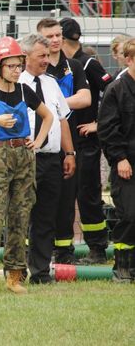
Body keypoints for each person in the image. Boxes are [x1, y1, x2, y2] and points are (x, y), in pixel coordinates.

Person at [0, 37, 53, 295]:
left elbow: (47, 116)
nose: (17, 70)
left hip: (23, 158)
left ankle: (14, 276)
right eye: (12, 65)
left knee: (20, 217)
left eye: (19, 65)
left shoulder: (25, 90)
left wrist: (36, 142)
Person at [18, 34, 76, 284]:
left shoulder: (51, 83)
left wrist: (70, 153)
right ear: (26, 57)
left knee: (45, 217)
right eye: (41, 56)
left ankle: (40, 273)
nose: (46, 60)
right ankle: (16, 269)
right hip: (23, 159)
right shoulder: (15, 83)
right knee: (19, 215)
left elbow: (62, 120)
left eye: (48, 56)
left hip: (51, 159)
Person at [36, 18, 91, 264]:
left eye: (58, 35)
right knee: (39, 202)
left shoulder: (75, 66)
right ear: (39, 38)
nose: (56, 40)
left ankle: (65, 252)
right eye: (50, 36)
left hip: (68, 140)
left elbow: (86, 98)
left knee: (67, 200)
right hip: (39, 145)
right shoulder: (37, 69)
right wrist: (59, 104)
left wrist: (54, 103)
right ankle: (37, 252)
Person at [60, 17, 113, 264]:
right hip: (65, 139)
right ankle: (62, 249)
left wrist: (98, 124)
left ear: (62, 38)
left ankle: (98, 249)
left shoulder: (87, 63)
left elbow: (111, 93)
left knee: (88, 195)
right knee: (65, 196)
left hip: (87, 142)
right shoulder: (62, 65)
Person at [97, 38, 135, 282]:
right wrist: (119, 158)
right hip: (127, 164)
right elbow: (108, 128)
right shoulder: (118, 88)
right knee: (130, 215)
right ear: (129, 60)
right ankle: (122, 267)